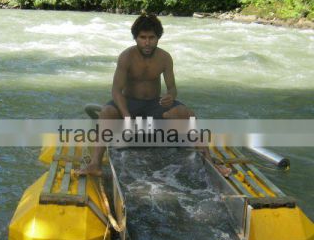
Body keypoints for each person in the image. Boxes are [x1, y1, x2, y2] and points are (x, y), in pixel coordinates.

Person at [79, 14, 231, 177]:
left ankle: (209, 162)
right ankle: (95, 164)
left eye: (152, 37)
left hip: (154, 104)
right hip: (130, 103)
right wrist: (126, 115)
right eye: (142, 37)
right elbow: (116, 90)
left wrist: (170, 97)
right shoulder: (126, 57)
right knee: (106, 113)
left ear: (158, 38)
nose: (147, 42)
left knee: (187, 114)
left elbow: (172, 88)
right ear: (135, 38)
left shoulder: (164, 58)